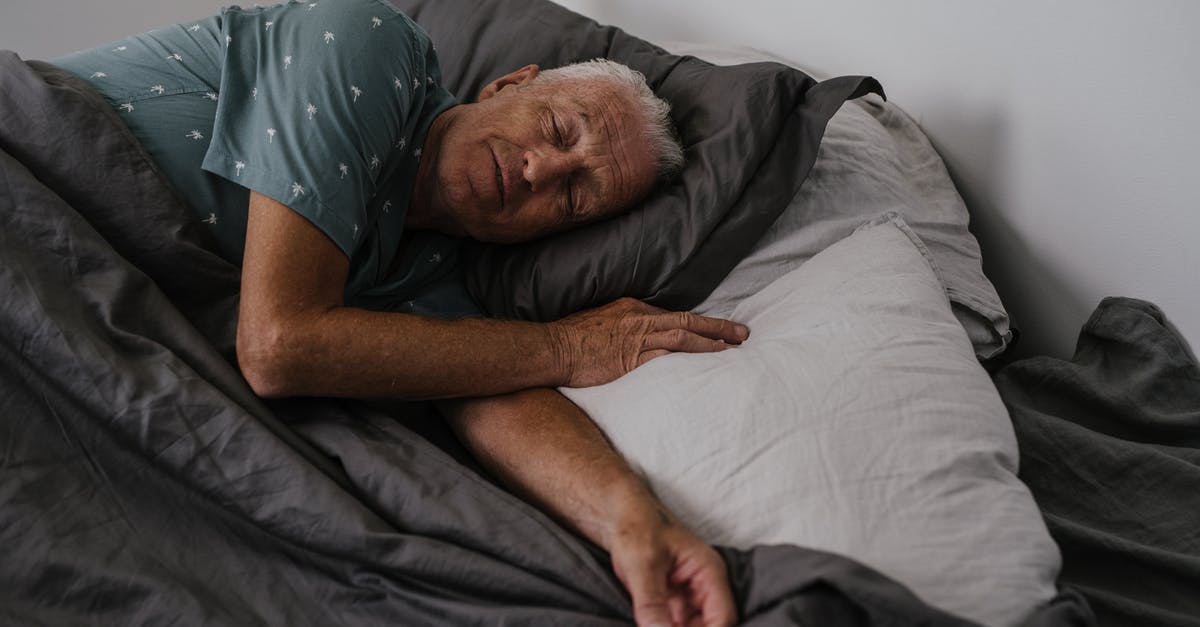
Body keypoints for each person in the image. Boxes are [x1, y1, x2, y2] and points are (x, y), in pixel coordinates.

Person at [54, 2, 746, 625]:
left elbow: (496, 394)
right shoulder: (367, 44)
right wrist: (565, 347)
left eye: (573, 199)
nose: (541, 171)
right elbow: (279, 344)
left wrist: (635, 523)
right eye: (559, 128)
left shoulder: (428, 277)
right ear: (510, 85)